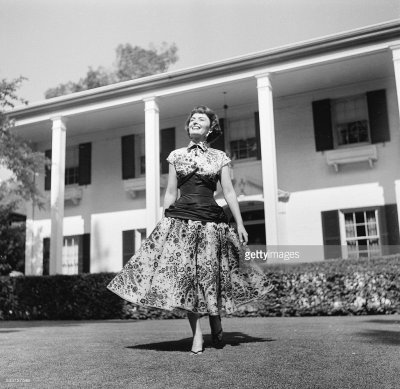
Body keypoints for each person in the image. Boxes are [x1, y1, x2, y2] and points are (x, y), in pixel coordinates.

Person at [107, 105, 273, 355]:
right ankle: (197, 335)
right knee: (187, 279)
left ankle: (215, 318)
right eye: (192, 119)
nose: (195, 121)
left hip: (211, 223)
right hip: (182, 221)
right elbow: (171, 191)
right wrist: (164, 220)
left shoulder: (220, 157)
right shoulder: (175, 155)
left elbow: (228, 191)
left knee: (211, 275)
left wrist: (239, 222)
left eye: (201, 119)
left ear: (210, 128)